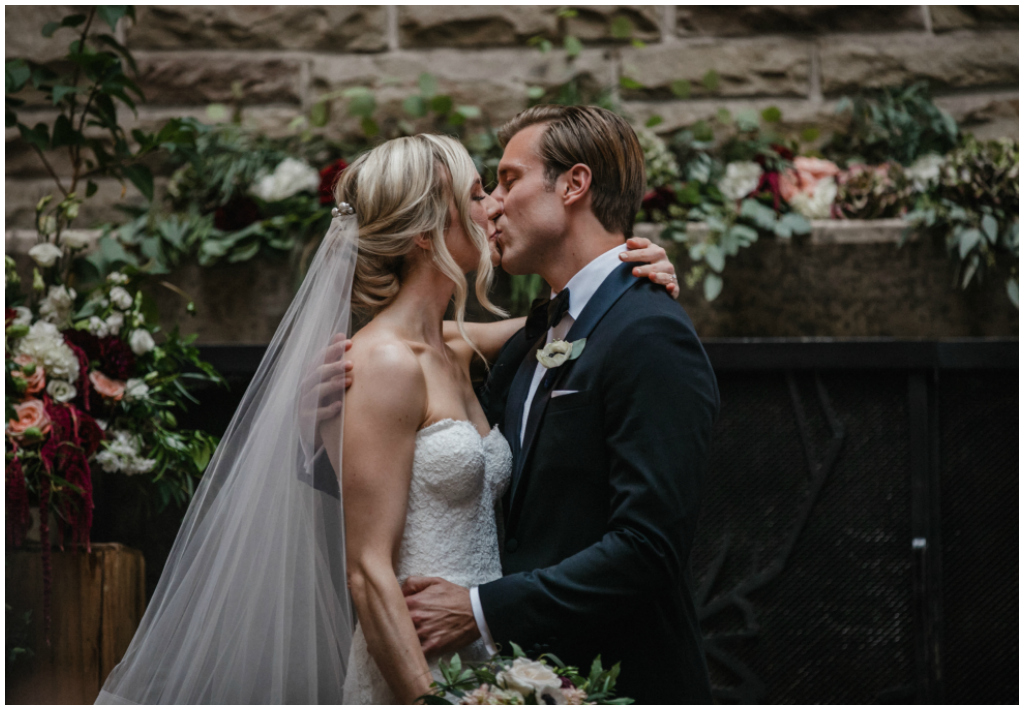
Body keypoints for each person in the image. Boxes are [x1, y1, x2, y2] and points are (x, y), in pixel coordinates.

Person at [95, 131, 678, 704]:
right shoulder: (383, 361)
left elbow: (572, 321)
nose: (494, 206)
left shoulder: (455, 348)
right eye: (478, 194)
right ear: (428, 232)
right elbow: (367, 570)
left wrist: (634, 270)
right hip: (414, 657)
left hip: (484, 651)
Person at [400, 106, 719, 704]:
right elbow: (439, 454)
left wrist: (478, 609)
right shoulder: (541, 335)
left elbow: (648, 549)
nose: (491, 205)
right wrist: (328, 418)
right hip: (528, 680)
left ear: (574, 184)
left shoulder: (650, 333)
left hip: (625, 683)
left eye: (509, 180)